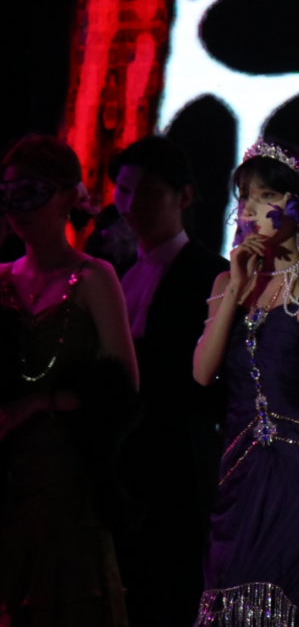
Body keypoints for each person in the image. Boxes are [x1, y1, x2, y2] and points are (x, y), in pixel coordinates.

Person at [192, 139, 299, 627]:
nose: (248, 209)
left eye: (265, 196)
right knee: (230, 602)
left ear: (297, 206)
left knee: (294, 606)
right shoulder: (228, 282)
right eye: (244, 197)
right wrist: (236, 284)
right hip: (240, 471)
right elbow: (203, 372)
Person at [0, 134, 139, 626]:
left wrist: (39, 404)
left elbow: (124, 389)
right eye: (7, 194)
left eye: (31, 192)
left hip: (66, 473)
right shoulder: (2, 278)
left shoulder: (94, 277)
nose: (17, 208)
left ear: (65, 196)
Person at [107, 136, 229, 626]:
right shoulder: (115, 271)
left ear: (184, 196)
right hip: (123, 467)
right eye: (124, 191)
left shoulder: (211, 275)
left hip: (180, 466)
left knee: (175, 593)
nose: (131, 205)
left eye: (149, 192)